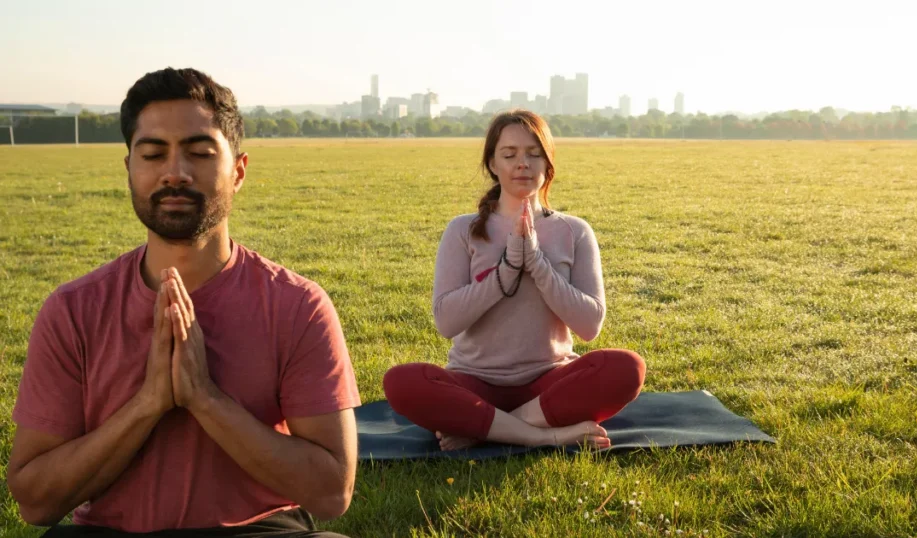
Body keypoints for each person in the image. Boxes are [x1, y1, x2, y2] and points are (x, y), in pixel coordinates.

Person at [7, 68, 360, 537]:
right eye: (153, 154)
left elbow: (331, 492)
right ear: (129, 168)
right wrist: (148, 405)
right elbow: (34, 501)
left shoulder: (297, 306)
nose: (175, 172)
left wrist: (206, 400)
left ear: (238, 171)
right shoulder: (73, 311)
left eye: (199, 153)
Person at [383, 109, 645, 451]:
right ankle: (542, 434)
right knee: (403, 382)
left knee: (626, 368)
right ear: (493, 163)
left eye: (533, 154)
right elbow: (446, 322)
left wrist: (537, 262)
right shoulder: (462, 230)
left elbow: (589, 325)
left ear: (548, 164)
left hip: (548, 383)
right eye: (510, 155)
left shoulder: (574, 231)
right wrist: (506, 268)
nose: (522, 163)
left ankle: (485, 427)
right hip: (474, 383)